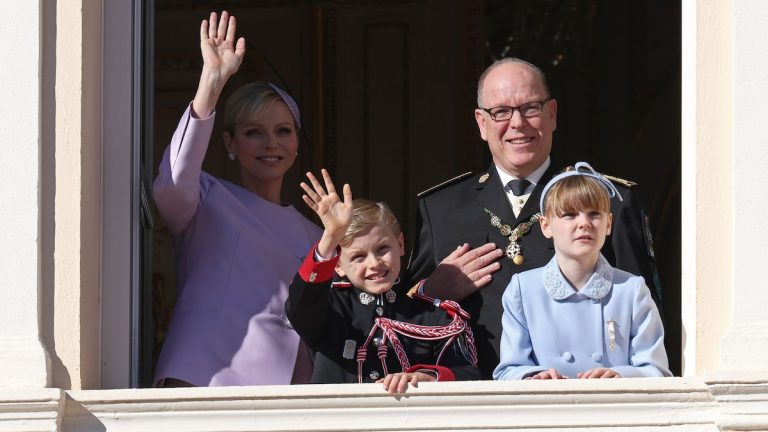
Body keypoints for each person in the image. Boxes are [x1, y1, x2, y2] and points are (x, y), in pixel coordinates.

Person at [408, 58, 661, 378]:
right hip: (471, 403)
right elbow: (397, 321)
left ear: (552, 114)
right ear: (481, 123)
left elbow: (646, 321)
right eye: (500, 111)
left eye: (530, 108)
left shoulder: (609, 200)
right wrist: (430, 291)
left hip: (580, 401)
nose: (517, 123)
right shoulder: (440, 209)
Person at [152, 11, 322, 386]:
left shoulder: (316, 235)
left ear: (296, 142)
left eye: (283, 131)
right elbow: (173, 182)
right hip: (206, 373)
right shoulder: (205, 198)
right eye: (253, 132)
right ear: (230, 143)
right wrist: (211, 81)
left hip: (286, 388)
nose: (271, 143)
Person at [286, 170, 481, 393]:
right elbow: (299, 307)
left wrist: (425, 376)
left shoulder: (432, 316)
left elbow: (469, 374)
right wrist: (330, 238)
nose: (374, 263)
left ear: (400, 244)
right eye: (359, 256)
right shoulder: (331, 308)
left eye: (382, 249)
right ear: (338, 264)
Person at [493, 162, 671, 380]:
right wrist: (533, 378)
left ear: (608, 224)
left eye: (595, 214)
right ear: (545, 225)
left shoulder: (631, 290)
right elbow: (508, 370)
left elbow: (656, 370)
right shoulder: (523, 289)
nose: (584, 223)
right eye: (569, 214)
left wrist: (619, 376)